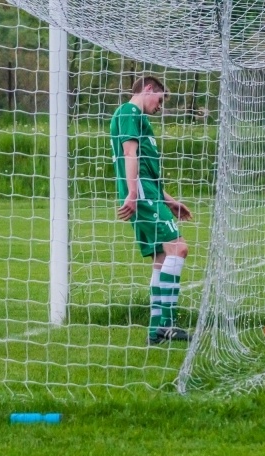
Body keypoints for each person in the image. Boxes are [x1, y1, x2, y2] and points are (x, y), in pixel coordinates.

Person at [109, 76, 192, 345]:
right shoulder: (129, 112)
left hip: (149, 194)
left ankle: (157, 331)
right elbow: (129, 154)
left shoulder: (141, 120)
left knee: (160, 257)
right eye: (160, 99)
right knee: (178, 248)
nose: (160, 106)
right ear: (148, 89)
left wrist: (168, 200)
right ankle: (165, 324)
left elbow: (147, 170)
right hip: (142, 196)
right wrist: (133, 194)